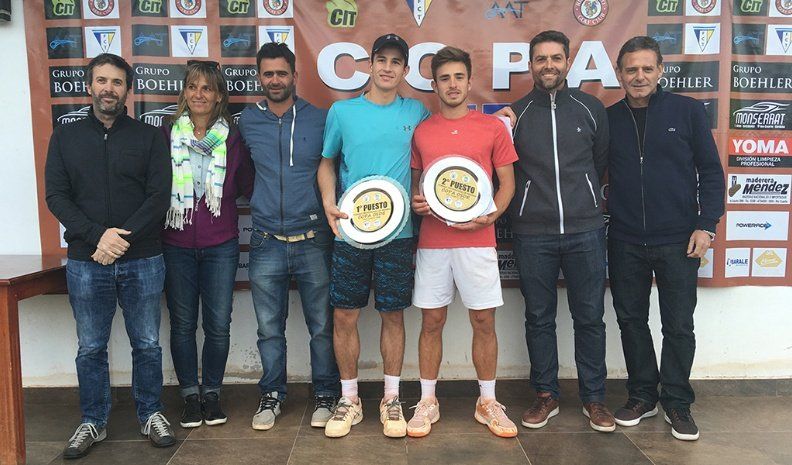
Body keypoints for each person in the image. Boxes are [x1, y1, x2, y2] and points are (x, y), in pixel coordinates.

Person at [45, 53, 175, 459]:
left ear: (127, 89)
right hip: (87, 260)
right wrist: (98, 236)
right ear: (89, 86)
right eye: (102, 80)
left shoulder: (149, 137)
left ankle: (151, 413)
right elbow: (56, 196)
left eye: (117, 82)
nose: (108, 89)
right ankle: (93, 420)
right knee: (90, 346)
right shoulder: (65, 137)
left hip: (143, 258)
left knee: (148, 343)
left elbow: (159, 196)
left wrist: (121, 239)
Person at [606, 36, 724, 441]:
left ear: (660, 70)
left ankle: (677, 401)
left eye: (646, 68)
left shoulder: (687, 111)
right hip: (624, 238)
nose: (639, 76)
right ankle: (643, 395)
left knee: (678, 325)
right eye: (631, 69)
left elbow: (711, 172)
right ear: (620, 74)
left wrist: (706, 225)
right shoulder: (609, 118)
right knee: (631, 320)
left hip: (679, 239)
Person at [500, 30, 614, 432]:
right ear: (531, 65)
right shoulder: (516, 114)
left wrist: (584, 199)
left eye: (555, 58)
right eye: (540, 59)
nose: (548, 65)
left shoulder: (590, 108)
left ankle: (594, 398)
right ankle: (545, 394)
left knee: (590, 317)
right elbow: (505, 169)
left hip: (586, 230)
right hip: (533, 232)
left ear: (567, 62)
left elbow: (599, 162)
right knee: (538, 317)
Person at [318, 33, 430, 438]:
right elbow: (326, 163)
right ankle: (349, 399)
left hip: (398, 233)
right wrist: (328, 201)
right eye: (381, 59)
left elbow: (443, 141)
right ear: (370, 64)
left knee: (392, 314)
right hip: (350, 231)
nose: (387, 67)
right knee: (344, 314)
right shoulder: (342, 111)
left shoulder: (417, 111)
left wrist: (505, 117)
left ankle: (391, 398)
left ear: (405, 70)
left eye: (396, 62)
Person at [408, 46, 519, 439]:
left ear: (470, 82)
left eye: (458, 77)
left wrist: (493, 214)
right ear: (434, 85)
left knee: (483, 321)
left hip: (478, 240)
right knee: (431, 321)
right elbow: (418, 186)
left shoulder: (492, 128)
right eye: (444, 78)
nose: (452, 85)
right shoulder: (422, 130)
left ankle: (487, 401)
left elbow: (507, 184)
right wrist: (417, 202)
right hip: (433, 242)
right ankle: (427, 400)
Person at [239, 42, 340, 432]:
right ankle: (271, 395)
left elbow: (335, 166)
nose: (275, 80)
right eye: (268, 73)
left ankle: (326, 394)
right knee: (269, 329)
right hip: (266, 240)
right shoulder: (248, 121)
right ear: (259, 77)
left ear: (295, 75)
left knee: (322, 327)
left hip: (313, 238)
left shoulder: (320, 119)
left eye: (282, 72)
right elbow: (241, 172)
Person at [160, 60, 254, 429]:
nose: (199, 94)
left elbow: (248, 185)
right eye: (193, 87)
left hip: (221, 244)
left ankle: (212, 394)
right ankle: (189, 396)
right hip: (176, 242)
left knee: (218, 324)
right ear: (184, 92)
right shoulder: (166, 134)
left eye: (207, 88)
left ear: (218, 96)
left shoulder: (232, 137)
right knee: (182, 323)